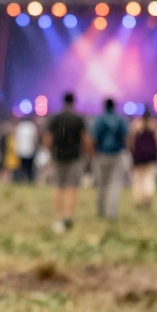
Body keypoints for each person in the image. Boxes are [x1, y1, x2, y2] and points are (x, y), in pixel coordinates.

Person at [45, 92, 92, 233]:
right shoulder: (78, 119)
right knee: (72, 187)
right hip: (74, 157)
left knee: (58, 186)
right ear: (74, 102)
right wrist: (89, 153)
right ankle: (68, 215)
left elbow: (48, 138)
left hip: (58, 156)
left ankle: (59, 215)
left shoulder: (56, 118)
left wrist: (50, 152)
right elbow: (86, 139)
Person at [91, 98, 128, 222]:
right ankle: (112, 213)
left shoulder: (99, 119)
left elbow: (94, 137)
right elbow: (126, 137)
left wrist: (94, 153)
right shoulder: (120, 119)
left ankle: (100, 211)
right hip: (116, 155)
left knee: (101, 184)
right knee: (115, 184)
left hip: (101, 154)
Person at [128, 107, 157, 209]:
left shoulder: (135, 125)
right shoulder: (154, 125)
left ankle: (139, 199)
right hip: (150, 156)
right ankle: (148, 195)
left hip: (138, 156)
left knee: (138, 179)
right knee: (149, 177)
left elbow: (131, 141)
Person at [13, 115, 39, 183]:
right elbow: (35, 139)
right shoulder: (32, 127)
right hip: (30, 149)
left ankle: (20, 179)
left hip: (20, 149)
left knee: (21, 167)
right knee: (29, 167)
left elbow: (16, 138)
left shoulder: (19, 126)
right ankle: (30, 180)